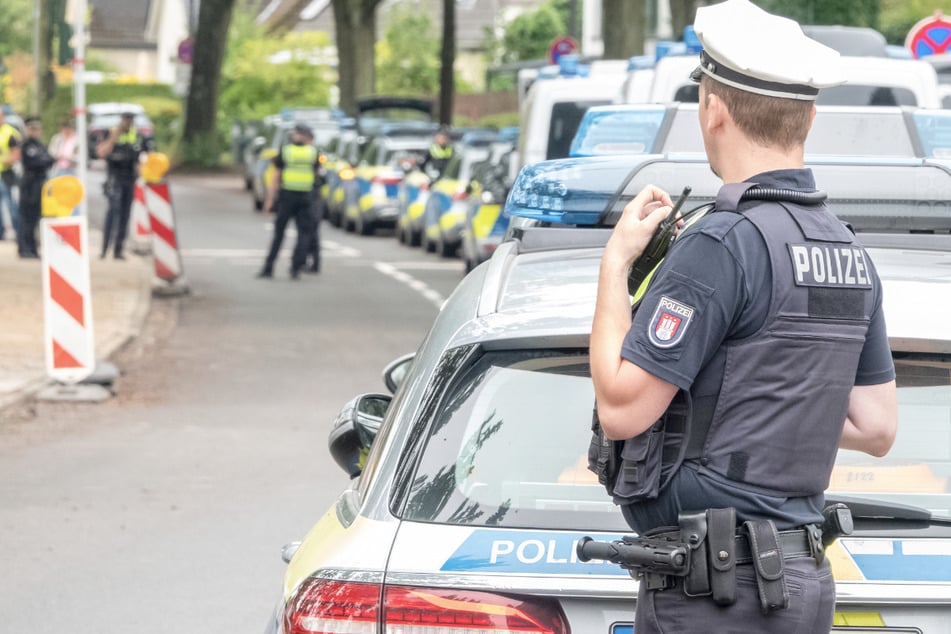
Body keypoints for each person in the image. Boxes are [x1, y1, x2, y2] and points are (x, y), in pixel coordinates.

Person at [588, 1, 898, 632]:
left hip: (715, 593)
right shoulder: (846, 249)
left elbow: (623, 410)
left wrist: (615, 267)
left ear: (712, 110)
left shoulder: (722, 245)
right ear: (808, 117)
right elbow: (875, 427)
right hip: (800, 583)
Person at [258, 123, 319, 279]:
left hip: (287, 197)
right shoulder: (313, 153)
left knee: (279, 233)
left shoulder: (286, 152)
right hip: (306, 197)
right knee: (303, 235)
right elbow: (317, 176)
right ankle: (296, 268)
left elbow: (276, 177)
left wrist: (269, 200)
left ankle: (268, 267)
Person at [97, 111, 149, 260]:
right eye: (125, 120)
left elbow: (143, 157)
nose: (127, 123)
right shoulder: (112, 133)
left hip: (130, 178)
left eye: (130, 120)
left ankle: (118, 250)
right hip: (115, 178)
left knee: (125, 215)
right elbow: (101, 152)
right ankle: (104, 249)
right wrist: (114, 138)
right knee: (113, 211)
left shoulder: (137, 135)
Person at [17, 116, 54, 259]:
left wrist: (43, 161)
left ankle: (32, 248)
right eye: (33, 129)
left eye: (37, 129)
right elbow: (34, 162)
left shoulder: (39, 145)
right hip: (30, 183)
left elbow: (49, 160)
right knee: (27, 217)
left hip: (40, 182)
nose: (36, 131)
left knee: (35, 217)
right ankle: (25, 248)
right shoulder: (27, 145)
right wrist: (43, 161)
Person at [0, 108, 22, 241]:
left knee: (10, 204)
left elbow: (16, 155)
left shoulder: (10, 133)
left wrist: (3, 160)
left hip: (6, 174)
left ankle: (18, 232)